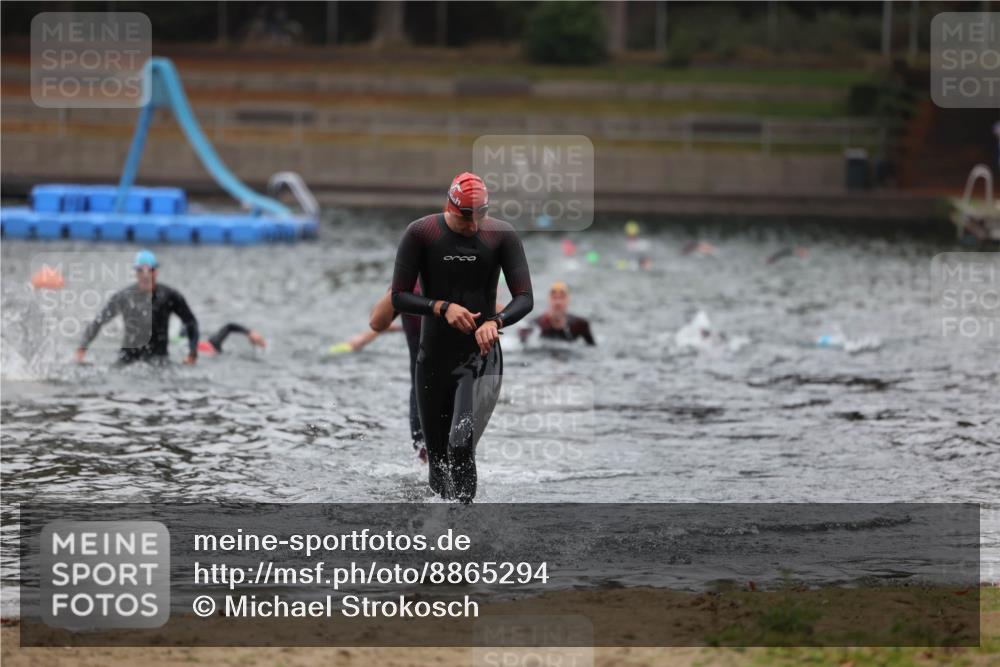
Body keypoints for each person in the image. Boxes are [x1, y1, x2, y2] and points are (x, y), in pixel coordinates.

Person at [390, 172, 533, 502]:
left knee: (460, 445)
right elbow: (398, 297)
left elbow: (525, 297)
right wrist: (441, 308)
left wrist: (495, 322)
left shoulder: (501, 235)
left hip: (480, 359)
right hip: (433, 361)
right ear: (448, 206)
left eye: (479, 217)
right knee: (437, 464)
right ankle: (440, 535)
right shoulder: (421, 233)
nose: (472, 225)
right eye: (464, 218)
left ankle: (466, 531)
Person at [76, 249, 199, 365]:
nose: (145, 275)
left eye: (149, 270)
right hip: (127, 360)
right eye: (141, 271)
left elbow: (191, 322)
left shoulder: (169, 296)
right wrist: (82, 347)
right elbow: (99, 321)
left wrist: (192, 353)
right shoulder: (124, 297)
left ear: (155, 272)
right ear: (136, 273)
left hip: (159, 360)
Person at [519, 281, 595, 345]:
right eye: (554, 297)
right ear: (549, 300)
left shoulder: (580, 325)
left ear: (568, 301)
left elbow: (592, 349)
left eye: (562, 297)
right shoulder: (536, 325)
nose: (558, 302)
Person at [180, 323, 266, 356]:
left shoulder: (214, 343)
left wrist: (249, 332)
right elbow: (229, 327)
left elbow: (229, 327)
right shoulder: (214, 344)